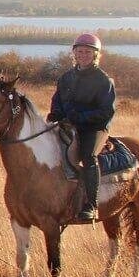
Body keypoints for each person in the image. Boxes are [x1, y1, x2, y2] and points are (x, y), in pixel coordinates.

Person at [46, 32, 115, 222]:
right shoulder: (66, 77)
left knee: (88, 157)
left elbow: (106, 111)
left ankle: (91, 205)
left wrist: (81, 117)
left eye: (87, 52)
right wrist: (56, 113)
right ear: (74, 53)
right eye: (80, 51)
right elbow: (57, 99)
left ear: (95, 55)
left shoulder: (103, 81)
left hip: (94, 127)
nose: (83, 54)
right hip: (69, 124)